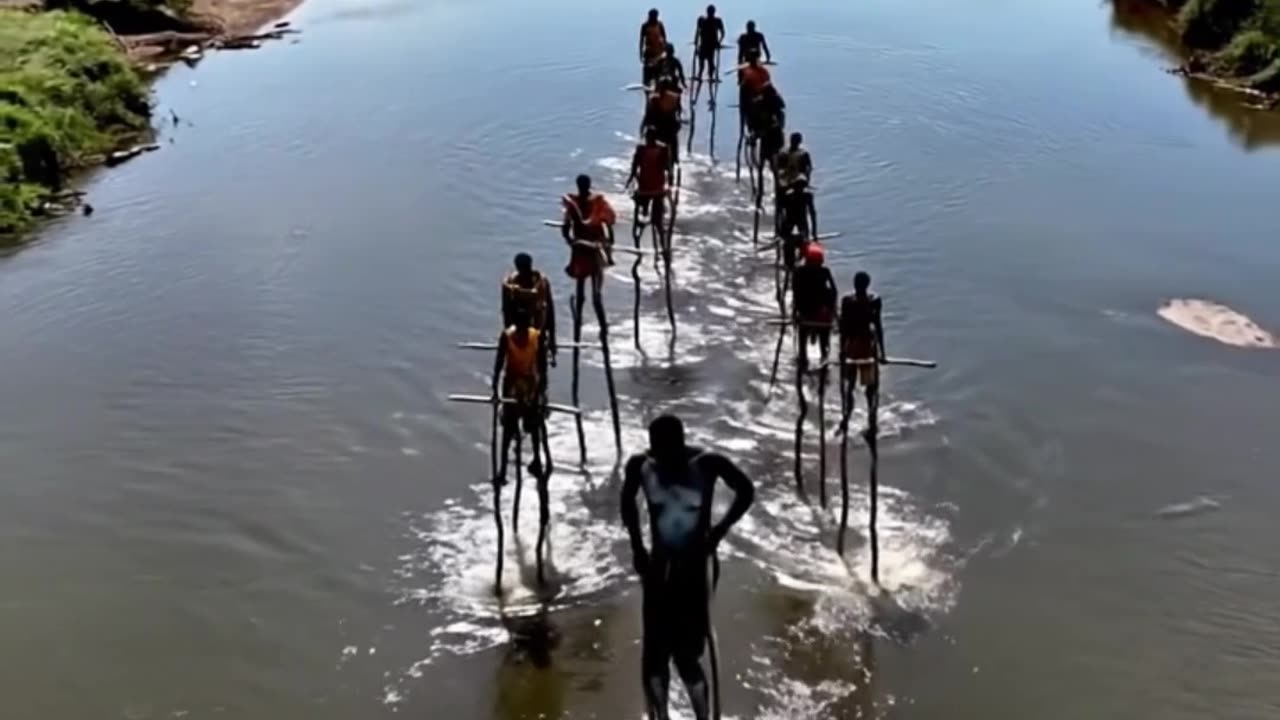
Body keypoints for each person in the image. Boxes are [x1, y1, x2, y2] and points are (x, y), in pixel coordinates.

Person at [621, 415, 755, 720]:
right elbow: (627, 502)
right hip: (658, 567)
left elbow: (746, 491)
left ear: (681, 443)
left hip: (695, 569)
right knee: (655, 656)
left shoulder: (707, 465)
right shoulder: (642, 466)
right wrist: (637, 548)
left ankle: (703, 716)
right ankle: (662, 714)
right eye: (658, 449)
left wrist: (719, 532)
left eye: (668, 449)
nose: (664, 457)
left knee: (687, 655)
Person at [491, 306, 550, 485]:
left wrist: (540, 392)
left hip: (530, 385)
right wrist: (495, 389)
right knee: (509, 429)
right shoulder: (507, 336)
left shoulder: (536, 336)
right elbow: (499, 363)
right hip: (511, 386)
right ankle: (502, 472)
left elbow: (542, 367)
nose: (524, 330)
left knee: (533, 427)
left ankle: (537, 461)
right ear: (516, 325)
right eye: (521, 327)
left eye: (526, 327)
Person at [838, 271, 887, 437]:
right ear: (867, 284)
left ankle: (847, 416)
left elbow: (843, 329)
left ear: (854, 284)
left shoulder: (847, 301)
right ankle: (871, 420)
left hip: (852, 347)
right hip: (867, 347)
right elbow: (878, 326)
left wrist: (841, 351)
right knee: (870, 388)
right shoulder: (874, 300)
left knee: (849, 386)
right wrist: (882, 353)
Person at [502, 253, 557, 365]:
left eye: (527, 268)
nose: (525, 271)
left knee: (540, 362)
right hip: (518, 326)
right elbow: (506, 310)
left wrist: (552, 338)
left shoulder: (541, 282)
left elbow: (550, 310)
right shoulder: (510, 284)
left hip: (538, 324)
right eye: (522, 269)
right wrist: (508, 338)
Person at [791, 242, 837, 372]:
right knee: (824, 338)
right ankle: (824, 354)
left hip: (804, 310)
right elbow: (834, 291)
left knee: (802, 335)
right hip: (822, 312)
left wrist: (795, 312)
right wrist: (833, 311)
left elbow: (795, 292)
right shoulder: (825, 271)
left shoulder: (799, 271)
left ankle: (803, 357)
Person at [562, 173, 617, 279]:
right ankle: (609, 259)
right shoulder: (598, 200)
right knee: (601, 262)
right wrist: (611, 239)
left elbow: (566, 225)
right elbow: (608, 220)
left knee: (578, 267)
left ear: (577, 185)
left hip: (581, 239)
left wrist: (568, 239)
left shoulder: (573, 202)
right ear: (589, 185)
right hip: (595, 238)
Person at [625, 127, 674, 224]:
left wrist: (631, 178)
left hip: (646, 185)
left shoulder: (641, 149)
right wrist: (670, 181)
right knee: (656, 201)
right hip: (656, 185)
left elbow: (634, 167)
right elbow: (668, 168)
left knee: (644, 198)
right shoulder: (662, 149)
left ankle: (645, 210)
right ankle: (653, 214)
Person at [643, 79, 683, 167]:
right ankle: (674, 157)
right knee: (673, 138)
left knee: (651, 134)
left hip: (663, 127)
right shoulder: (671, 98)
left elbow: (649, 115)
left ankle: (672, 158)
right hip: (666, 126)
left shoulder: (655, 98)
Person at [777, 176, 816, 265]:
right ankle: (791, 262)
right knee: (796, 243)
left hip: (796, 222)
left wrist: (814, 231)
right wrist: (814, 231)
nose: (800, 190)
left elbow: (812, 213)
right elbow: (812, 213)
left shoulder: (805, 196)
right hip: (792, 222)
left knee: (800, 243)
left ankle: (794, 262)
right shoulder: (803, 196)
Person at [693, 5, 725, 82]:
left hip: (712, 45)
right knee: (702, 61)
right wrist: (696, 42)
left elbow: (723, 33)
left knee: (710, 61)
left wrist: (719, 42)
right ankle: (700, 75)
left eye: (711, 12)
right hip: (704, 44)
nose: (710, 13)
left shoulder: (717, 21)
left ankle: (710, 75)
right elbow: (697, 31)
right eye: (709, 12)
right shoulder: (702, 20)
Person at [640, 9, 668, 86]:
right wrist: (641, 53)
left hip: (659, 52)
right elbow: (641, 41)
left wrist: (666, 49)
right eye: (652, 16)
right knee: (647, 77)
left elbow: (664, 37)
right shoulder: (645, 26)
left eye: (655, 16)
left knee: (658, 75)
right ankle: (648, 91)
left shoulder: (660, 25)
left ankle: (657, 91)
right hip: (649, 53)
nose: (654, 18)